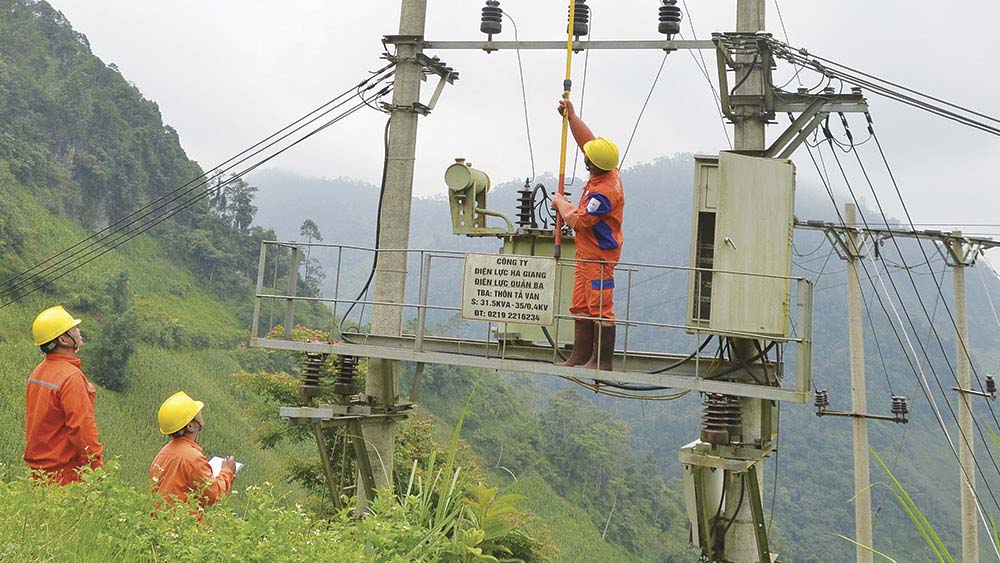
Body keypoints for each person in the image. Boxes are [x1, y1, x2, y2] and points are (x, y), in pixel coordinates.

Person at [550, 98, 624, 371]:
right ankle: (580, 357)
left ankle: (602, 361)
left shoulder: (604, 192)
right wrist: (572, 117)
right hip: (586, 252)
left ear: (591, 165)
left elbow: (580, 221)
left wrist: (560, 202)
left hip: (600, 255)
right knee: (580, 303)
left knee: (601, 305)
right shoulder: (606, 171)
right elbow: (587, 141)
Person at [24, 305, 104, 484]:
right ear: (63, 339)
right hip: (64, 475)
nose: (78, 331)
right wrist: (95, 469)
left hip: (39, 474)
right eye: (73, 328)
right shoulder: (71, 377)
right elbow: (82, 428)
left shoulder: (37, 373)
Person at [149, 391, 236, 508]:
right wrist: (227, 471)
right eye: (197, 413)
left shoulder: (162, 454)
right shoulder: (193, 458)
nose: (201, 414)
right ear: (191, 426)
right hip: (183, 524)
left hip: (160, 523)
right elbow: (214, 495)